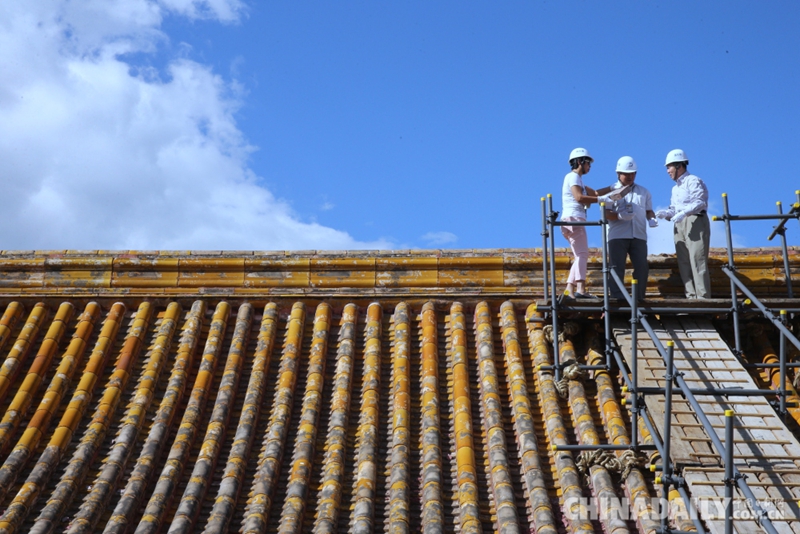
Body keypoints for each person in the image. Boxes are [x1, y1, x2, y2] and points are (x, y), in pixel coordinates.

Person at [560, 147, 629, 299]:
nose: (589, 166)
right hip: (574, 219)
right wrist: (601, 200)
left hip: (570, 220)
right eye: (588, 163)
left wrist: (611, 188)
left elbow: (595, 193)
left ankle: (570, 289)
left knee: (579, 255)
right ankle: (580, 289)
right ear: (580, 161)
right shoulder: (573, 177)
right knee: (582, 255)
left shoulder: (577, 180)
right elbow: (579, 197)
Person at [655, 149, 711, 298]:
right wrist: (666, 213)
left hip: (694, 220)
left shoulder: (693, 180)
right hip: (679, 224)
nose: (668, 171)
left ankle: (703, 297)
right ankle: (691, 296)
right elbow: (674, 209)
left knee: (697, 259)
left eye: (669, 167)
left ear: (679, 166)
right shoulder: (675, 188)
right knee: (683, 261)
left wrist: (683, 213)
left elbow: (700, 202)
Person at [604, 156, 656, 302]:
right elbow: (606, 213)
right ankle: (617, 297)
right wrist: (619, 216)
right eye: (626, 174)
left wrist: (652, 218)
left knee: (642, 267)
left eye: (632, 173)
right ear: (618, 173)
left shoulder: (644, 192)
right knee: (616, 267)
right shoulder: (611, 192)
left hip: (639, 236)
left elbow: (649, 211)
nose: (630, 176)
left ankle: (638, 297)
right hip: (618, 235)